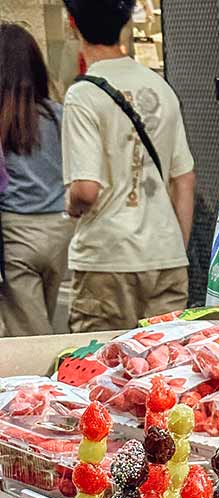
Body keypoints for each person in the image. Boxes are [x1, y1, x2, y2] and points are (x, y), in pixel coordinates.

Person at [61, 0, 196, 332]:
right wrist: (174, 244)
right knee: (166, 367)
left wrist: (71, 205)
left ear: (72, 23)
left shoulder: (83, 95)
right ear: (124, 22)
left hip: (106, 259)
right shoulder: (161, 89)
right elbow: (185, 179)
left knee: (98, 369)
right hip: (166, 257)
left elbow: (86, 190)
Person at [0, 25, 73, 337]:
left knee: (29, 334)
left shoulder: (3, 122)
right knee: (54, 326)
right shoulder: (60, 114)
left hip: (16, 233)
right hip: (63, 231)